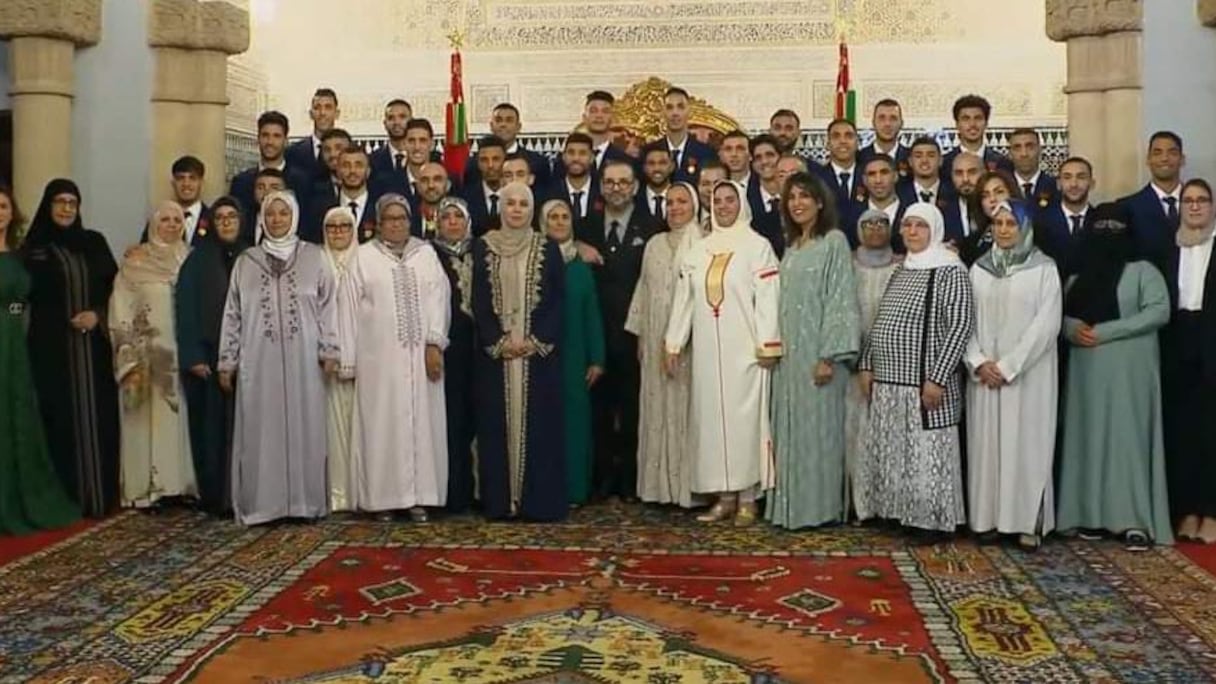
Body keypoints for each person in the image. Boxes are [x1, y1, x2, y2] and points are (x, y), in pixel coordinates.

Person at [218, 191, 340, 525]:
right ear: (262, 219)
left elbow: (329, 308)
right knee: (261, 433)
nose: (276, 220)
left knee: (306, 429)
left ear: (295, 217)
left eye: (283, 214)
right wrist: (227, 360)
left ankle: (305, 504)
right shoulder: (246, 262)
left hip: (305, 363)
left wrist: (330, 348)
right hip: (258, 362)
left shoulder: (314, 257)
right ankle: (263, 506)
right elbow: (233, 315)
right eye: (270, 214)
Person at [664, 180, 781, 526]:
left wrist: (769, 342)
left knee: (745, 425)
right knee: (712, 425)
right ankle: (723, 497)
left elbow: (769, 298)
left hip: (745, 353)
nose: (725, 206)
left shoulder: (757, 246)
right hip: (707, 356)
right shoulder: (699, 250)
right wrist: (674, 341)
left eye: (731, 200)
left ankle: (748, 499)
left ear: (741, 203)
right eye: (718, 201)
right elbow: (684, 299)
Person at [1056, 203, 1172, 549]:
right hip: (1085, 372)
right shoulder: (1076, 276)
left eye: (1115, 226)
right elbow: (1058, 315)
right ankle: (1089, 515)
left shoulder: (1143, 271)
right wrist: (1072, 328)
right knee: (1087, 441)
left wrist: (1107, 331)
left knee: (1127, 442)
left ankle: (1133, 520)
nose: (1107, 233)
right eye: (1100, 225)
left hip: (1129, 370)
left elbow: (1159, 311)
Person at [856, 203, 974, 540]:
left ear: (934, 229)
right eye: (906, 225)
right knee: (895, 453)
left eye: (919, 226)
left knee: (927, 453)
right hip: (891, 385)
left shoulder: (950, 270)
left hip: (925, 386)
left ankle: (930, 521)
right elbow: (881, 321)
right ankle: (897, 512)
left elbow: (960, 326)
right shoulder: (902, 268)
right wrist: (866, 363)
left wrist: (937, 378)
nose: (911, 232)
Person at [339, 194, 450, 520]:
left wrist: (434, 343)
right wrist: (349, 359)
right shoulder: (363, 257)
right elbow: (347, 308)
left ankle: (419, 497)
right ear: (378, 223)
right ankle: (383, 500)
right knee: (381, 427)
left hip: (422, 360)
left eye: (402, 218)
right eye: (390, 218)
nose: (397, 224)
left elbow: (439, 299)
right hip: (379, 362)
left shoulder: (425, 254)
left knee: (422, 426)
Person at [964, 200, 1062, 550]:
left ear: (1024, 228)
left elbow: (1045, 326)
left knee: (1026, 445)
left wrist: (1007, 366)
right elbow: (965, 320)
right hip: (985, 376)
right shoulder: (979, 268)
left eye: (1011, 223)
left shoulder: (1043, 269)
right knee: (987, 446)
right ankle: (988, 519)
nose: (1004, 229)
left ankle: (1025, 522)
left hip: (1027, 376)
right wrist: (977, 361)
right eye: (998, 223)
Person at [767, 173, 860, 529]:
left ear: (820, 202)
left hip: (820, 357)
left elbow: (841, 300)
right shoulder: (792, 247)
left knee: (819, 433)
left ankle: (818, 510)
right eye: (791, 198)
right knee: (790, 431)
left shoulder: (833, 241)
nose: (798, 204)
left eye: (805, 196)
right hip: (790, 356)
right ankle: (790, 509)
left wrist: (829, 356)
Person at [23, 178, 120, 517]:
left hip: (94, 351)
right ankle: (67, 499)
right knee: (59, 422)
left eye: (72, 203)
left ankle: (101, 496)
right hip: (52, 353)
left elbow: (116, 289)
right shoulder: (34, 248)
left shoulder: (93, 243)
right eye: (60, 202)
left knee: (100, 418)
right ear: (48, 206)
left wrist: (98, 314)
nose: (66, 208)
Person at [471, 182, 567, 521]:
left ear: (531, 209)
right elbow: (478, 301)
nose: (515, 210)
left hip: (535, 359)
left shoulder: (546, 248)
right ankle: (501, 502)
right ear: (501, 208)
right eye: (509, 203)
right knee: (496, 430)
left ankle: (535, 503)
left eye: (522, 204)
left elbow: (558, 301)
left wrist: (536, 340)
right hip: (497, 360)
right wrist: (498, 342)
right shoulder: (484, 247)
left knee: (540, 431)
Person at [0, 184, 79, 534]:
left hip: (18, 342)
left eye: (3, 206)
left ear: (11, 212)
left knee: (19, 414)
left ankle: (24, 496)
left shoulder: (21, 255)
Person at [110, 201, 196, 508]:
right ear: (153, 224)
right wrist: (127, 353)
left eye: (177, 220)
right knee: (143, 422)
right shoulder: (135, 262)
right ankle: (147, 490)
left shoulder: (189, 258)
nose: (171, 225)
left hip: (180, 357)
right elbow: (120, 308)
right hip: (145, 357)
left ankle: (178, 486)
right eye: (165, 220)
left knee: (177, 420)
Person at [626, 182, 703, 508]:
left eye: (682, 202)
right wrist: (643, 337)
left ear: (695, 205)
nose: (674, 208)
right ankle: (658, 488)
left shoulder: (704, 244)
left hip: (692, 344)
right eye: (669, 203)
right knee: (657, 409)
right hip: (656, 340)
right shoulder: (654, 244)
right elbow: (644, 290)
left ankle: (690, 490)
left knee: (688, 412)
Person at [176, 196, 248, 516]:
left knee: (246, 429)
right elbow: (186, 308)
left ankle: (246, 492)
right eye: (220, 218)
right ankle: (216, 497)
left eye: (232, 216)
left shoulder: (252, 256)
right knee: (212, 430)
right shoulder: (197, 260)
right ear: (212, 223)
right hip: (208, 357)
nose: (227, 222)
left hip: (249, 359)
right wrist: (192, 355)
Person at [541, 198, 604, 506]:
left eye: (565, 216)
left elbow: (592, 314)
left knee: (576, 423)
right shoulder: (534, 261)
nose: (559, 222)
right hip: (541, 355)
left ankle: (576, 489)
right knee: (546, 423)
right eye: (552, 217)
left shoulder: (580, 267)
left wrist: (597, 358)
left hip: (576, 354)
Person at [1163, 179, 1216, 543]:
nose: (1195, 207)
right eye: (1188, 201)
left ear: (1212, 207)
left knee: (1210, 433)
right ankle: (1185, 512)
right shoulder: (1168, 250)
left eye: (1202, 201)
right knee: (1181, 431)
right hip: (1177, 345)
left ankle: (1210, 513)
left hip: (1211, 343)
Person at [844, 210, 901, 503]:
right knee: (854, 434)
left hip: (892, 365)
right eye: (868, 224)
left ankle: (885, 501)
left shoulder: (903, 266)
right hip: (852, 366)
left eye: (882, 223)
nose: (876, 229)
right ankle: (857, 502)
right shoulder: (847, 265)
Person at [431, 197, 477, 513]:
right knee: (449, 420)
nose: (452, 222)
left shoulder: (484, 251)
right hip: (448, 348)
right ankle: (451, 492)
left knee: (479, 420)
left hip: (482, 349)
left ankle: (479, 492)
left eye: (458, 216)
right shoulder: (428, 255)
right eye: (445, 217)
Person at [320, 207, 358, 512]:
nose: (338, 231)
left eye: (344, 225)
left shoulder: (366, 259)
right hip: (326, 360)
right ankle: (337, 494)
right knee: (331, 428)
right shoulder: (316, 261)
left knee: (361, 426)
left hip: (363, 355)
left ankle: (360, 492)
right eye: (331, 226)